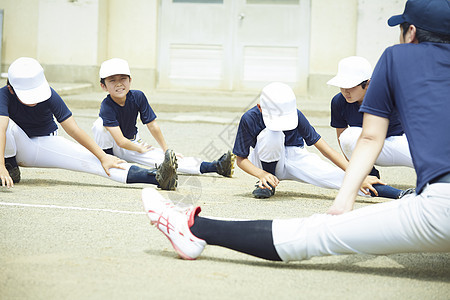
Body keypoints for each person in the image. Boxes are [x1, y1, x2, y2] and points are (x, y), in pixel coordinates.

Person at [142, 0, 450, 262]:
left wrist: (344, 201)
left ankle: (192, 229)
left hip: (441, 205)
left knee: (315, 233)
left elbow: (366, 138)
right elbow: (243, 157)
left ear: (410, 32)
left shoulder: (397, 57)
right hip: (268, 165)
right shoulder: (252, 118)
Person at [0, 57, 177, 190]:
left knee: (95, 161)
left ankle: (157, 177)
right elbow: (2, 129)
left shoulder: (50, 94)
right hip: (10, 146)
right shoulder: (3, 95)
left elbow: (74, 129)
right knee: (5, 125)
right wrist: (1, 165)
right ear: (11, 89)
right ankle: (9, 166)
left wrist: (103, 156)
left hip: (41, 144)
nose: (34, 100)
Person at [231, 81, 408, 199]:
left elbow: (325, 149)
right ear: (260, 107)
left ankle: (401, 194)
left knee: (346, 180)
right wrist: (261, 174)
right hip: (261, 161)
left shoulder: (296, 114)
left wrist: (358, 175)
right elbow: (241, 159)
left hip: (294, 156)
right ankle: (268, 184)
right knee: (272, 134)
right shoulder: (249, 118)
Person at [92, 58, 235, 179]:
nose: (118, 84)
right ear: (103, 86)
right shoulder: (107, 106)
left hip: (131, 143)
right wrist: (139, 149)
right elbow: (120, 141)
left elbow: (152, 125)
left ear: (130, 80)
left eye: (123, 79)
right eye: (112, 80)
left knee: (168, 161)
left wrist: (166, 150)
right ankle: (107, 158)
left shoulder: (138, 96)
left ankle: (217, 167)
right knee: (99, 125)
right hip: (115, 144)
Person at [328, 56, 415, 198]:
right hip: (371, 146)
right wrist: (356, 172)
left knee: (439, 164)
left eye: (350, 86)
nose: (345, 91)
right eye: (342, 86)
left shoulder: (389, 95)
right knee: (347, 137)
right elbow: (341, 138)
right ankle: (369, 175)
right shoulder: (339, 101)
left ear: (368, 84)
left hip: (401, 141)